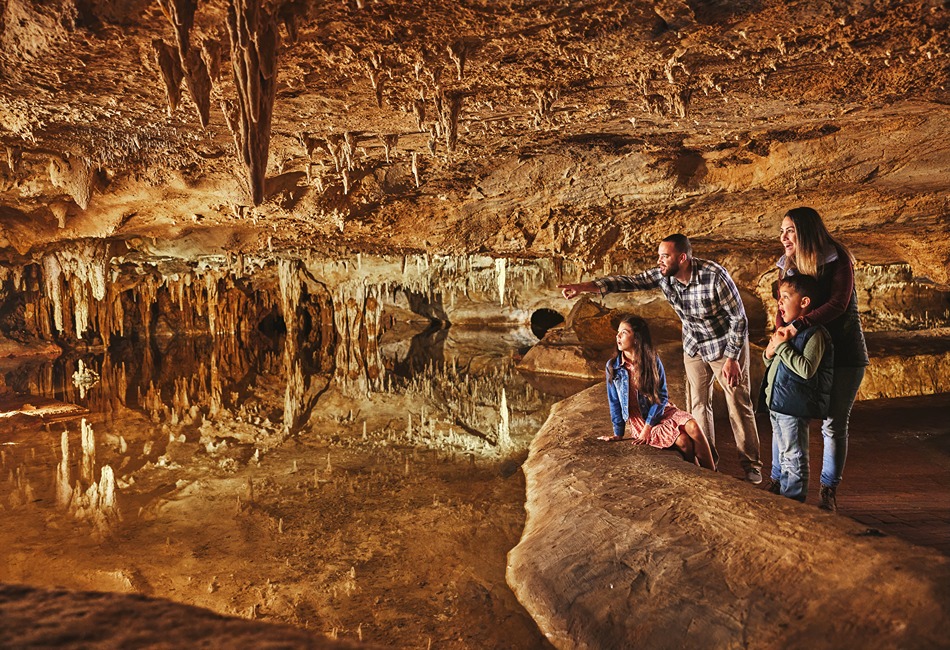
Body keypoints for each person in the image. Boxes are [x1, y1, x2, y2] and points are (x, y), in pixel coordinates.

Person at [560, 234, 762, 483]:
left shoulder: (714, 276)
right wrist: (586, 287)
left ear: (683, 258)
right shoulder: (663, 275)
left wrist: (732, 358)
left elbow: (739, 319)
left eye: (664, 256)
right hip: (695, 346)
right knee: (698, 403)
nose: (659, 261)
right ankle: (711, 464)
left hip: (725, 346)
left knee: (737, 403)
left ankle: (751, 464)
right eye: (659, 256)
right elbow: (629, 282)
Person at [773, 207, 869, 512]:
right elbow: (783, 304)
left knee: (834, 423)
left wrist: (797, 326)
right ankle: (778, 480)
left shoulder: (837, 258)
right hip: (805, 351)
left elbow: (839, 303)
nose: (784, 237)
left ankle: (828, 490)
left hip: (843, 353)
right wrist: (778, 337)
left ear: (807, 231)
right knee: (785, 413)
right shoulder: (787, 263)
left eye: (790, 230)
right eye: (782, 231)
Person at [601, 314, 716, 471]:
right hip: (639, 420)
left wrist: (649, 428)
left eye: (624, 332)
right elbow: (614, 402)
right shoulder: (613, 366)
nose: (618, 336)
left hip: (660, 411)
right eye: (618, 332)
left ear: (636, 338)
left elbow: (661, 396)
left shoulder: (652, 360)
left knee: (694, 427)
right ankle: (699, 473)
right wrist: (618, 433)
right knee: (683, 442)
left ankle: (713, 473)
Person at [761, 275, 834, 502]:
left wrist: (782, 347)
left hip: (793, 406)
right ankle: (783, 499)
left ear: (804, 302)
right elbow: (772, 362)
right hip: (778, 403)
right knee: (783, 455)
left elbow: (806, 369)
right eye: (779, 298)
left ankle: (793, 502)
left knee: (794, 456)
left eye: (785, 297)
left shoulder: (816, 334)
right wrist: (769, 353)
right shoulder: (786, 330)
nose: (780, 303)